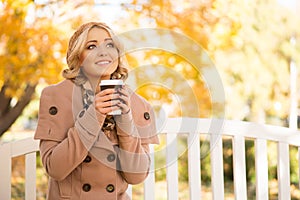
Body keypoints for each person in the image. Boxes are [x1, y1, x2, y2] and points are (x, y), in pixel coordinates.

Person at [34, 22, 159, 200]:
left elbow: (136, 176)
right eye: (91, 46)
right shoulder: (56, 96)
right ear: (78, 57)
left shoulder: (136, 104)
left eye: (110, 45)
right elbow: (55, 169)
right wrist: (93, 115)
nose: (103, 51)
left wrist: (125, 121)